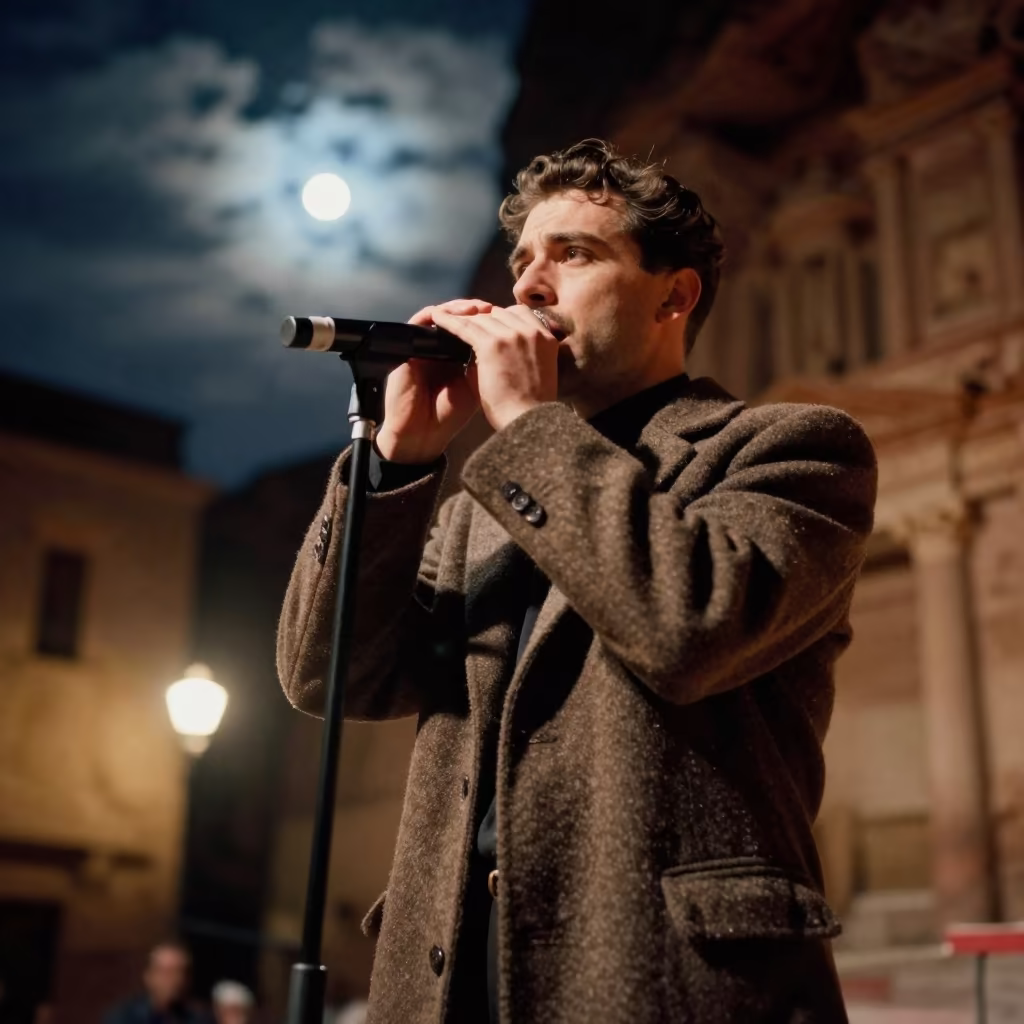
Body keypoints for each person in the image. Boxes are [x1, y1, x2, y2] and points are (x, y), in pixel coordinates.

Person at [277, 139, 877, 1023]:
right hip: (451, 987)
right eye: (523, 260)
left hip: (663, 985)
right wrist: (399, 464)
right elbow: (327, 677)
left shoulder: (790, 451)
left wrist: (524, 422)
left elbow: (690, 626)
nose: (527, 286)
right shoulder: (478, 511)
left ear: (675, 296)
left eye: (575, 254)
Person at [103, 941, 211, 1024]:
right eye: (164, 972)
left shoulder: (198, 1018)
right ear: (148, 977)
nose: (172, 979)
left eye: (178, 972)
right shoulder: (124, 1017)